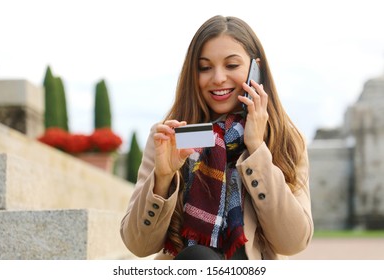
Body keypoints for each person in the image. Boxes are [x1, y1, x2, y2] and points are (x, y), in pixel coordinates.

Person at [120, 15, 313, 260]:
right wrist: (163, 177)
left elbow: (293, 242)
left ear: (256, 70)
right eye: (205, 67)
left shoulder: (285, 138)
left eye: (232, 66)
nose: (218, 78)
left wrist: (256, 149)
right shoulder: (171, 138)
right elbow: (138, 245)